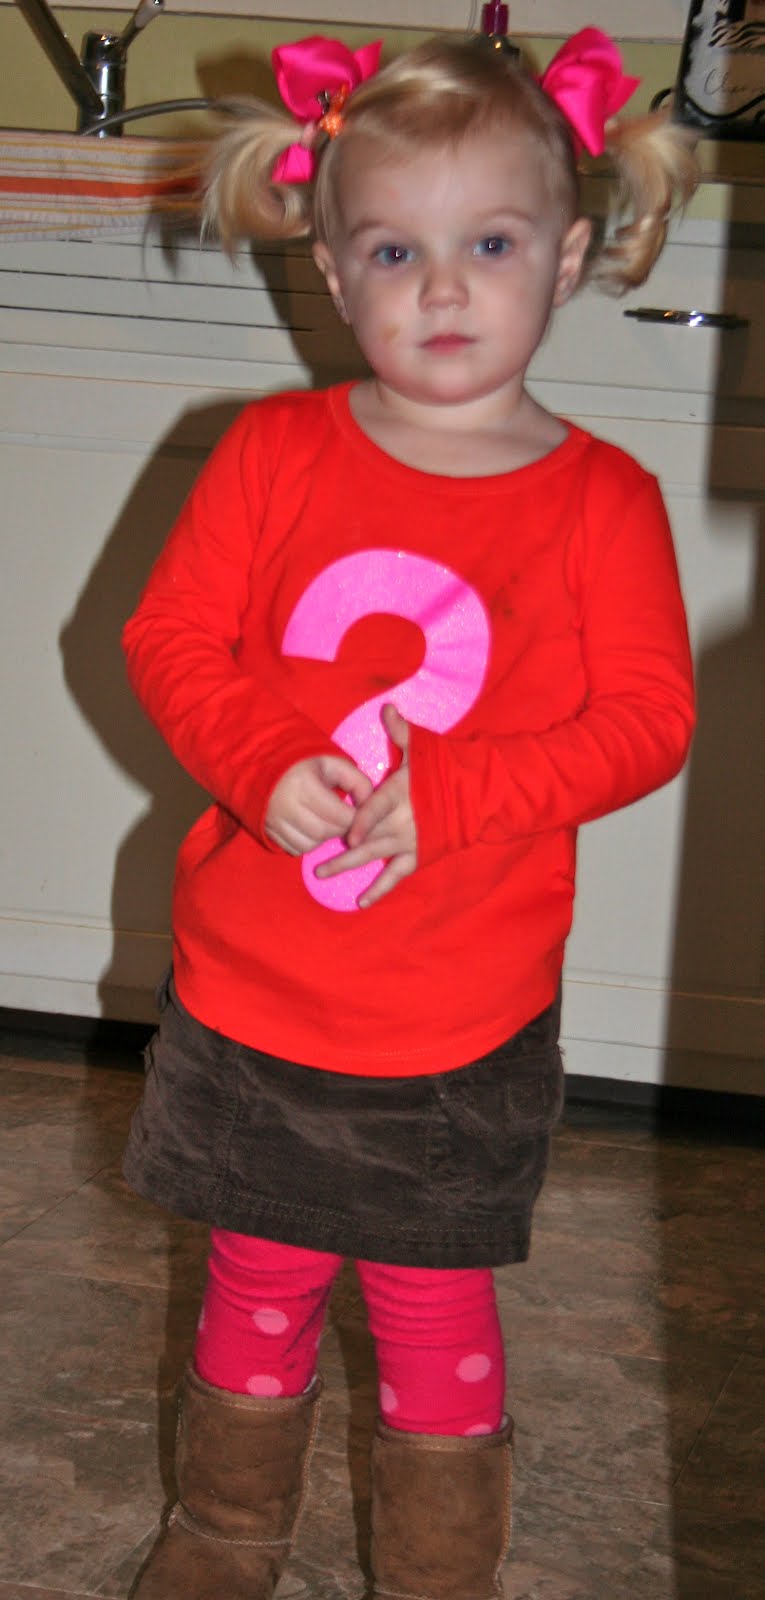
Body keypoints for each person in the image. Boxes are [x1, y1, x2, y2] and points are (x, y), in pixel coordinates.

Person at [123, 27, 697, 1600]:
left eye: (488, 245)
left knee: (430, 1302)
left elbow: (647, 723)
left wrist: (451, 795)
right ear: (330, 267)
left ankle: (441, 1572)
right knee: (255, 1274)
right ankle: (224, 1532)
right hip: (254, 989)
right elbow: (169, 641)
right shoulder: (269, 453)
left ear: (564, 256)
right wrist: (256, 759)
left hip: (457, 1012)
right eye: (395, 251)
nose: (442, 290)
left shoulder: (602, 502)